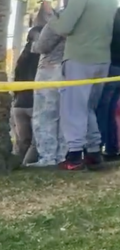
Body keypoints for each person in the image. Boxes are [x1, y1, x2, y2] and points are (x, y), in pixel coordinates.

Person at [49, 0, 117, 170]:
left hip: (79, 57)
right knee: (88, 107)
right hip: (102, 59)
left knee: (73, 106)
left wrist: (52, 16)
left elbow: (64, 27)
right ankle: (93, 151)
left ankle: (74, 155)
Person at [30, 1, 67, 167]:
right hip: (70, 70)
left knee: (44, 115)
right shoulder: (82, 21)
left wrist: (34, 42)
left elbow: (42, 46)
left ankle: (47, 157)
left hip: (49, 69)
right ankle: (62, 156)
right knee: (64, 115)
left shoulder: (58, 20)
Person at [12, 25, 42, 165]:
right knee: (35, 143)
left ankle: (17, 166)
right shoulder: (42, 59)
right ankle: (25, 167)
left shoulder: (22, 58)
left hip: (19, 104)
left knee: (22, 142)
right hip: (34, 103)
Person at [96, 7, 120, 160]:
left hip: (111, 66)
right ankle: (112, 147)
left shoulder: (113, 16)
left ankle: (98, 146)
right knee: (114, 110)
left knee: (103, 108)